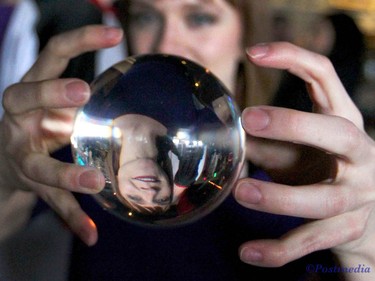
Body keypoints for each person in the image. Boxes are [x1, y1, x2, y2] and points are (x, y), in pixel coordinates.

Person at [0, 1, 374, 281]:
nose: (166, 42)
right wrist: (5, 173)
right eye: (147, 15)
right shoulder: (97, 146)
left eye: (199, 17)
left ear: (246, 33)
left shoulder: (308, 174)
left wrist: (365, 246)